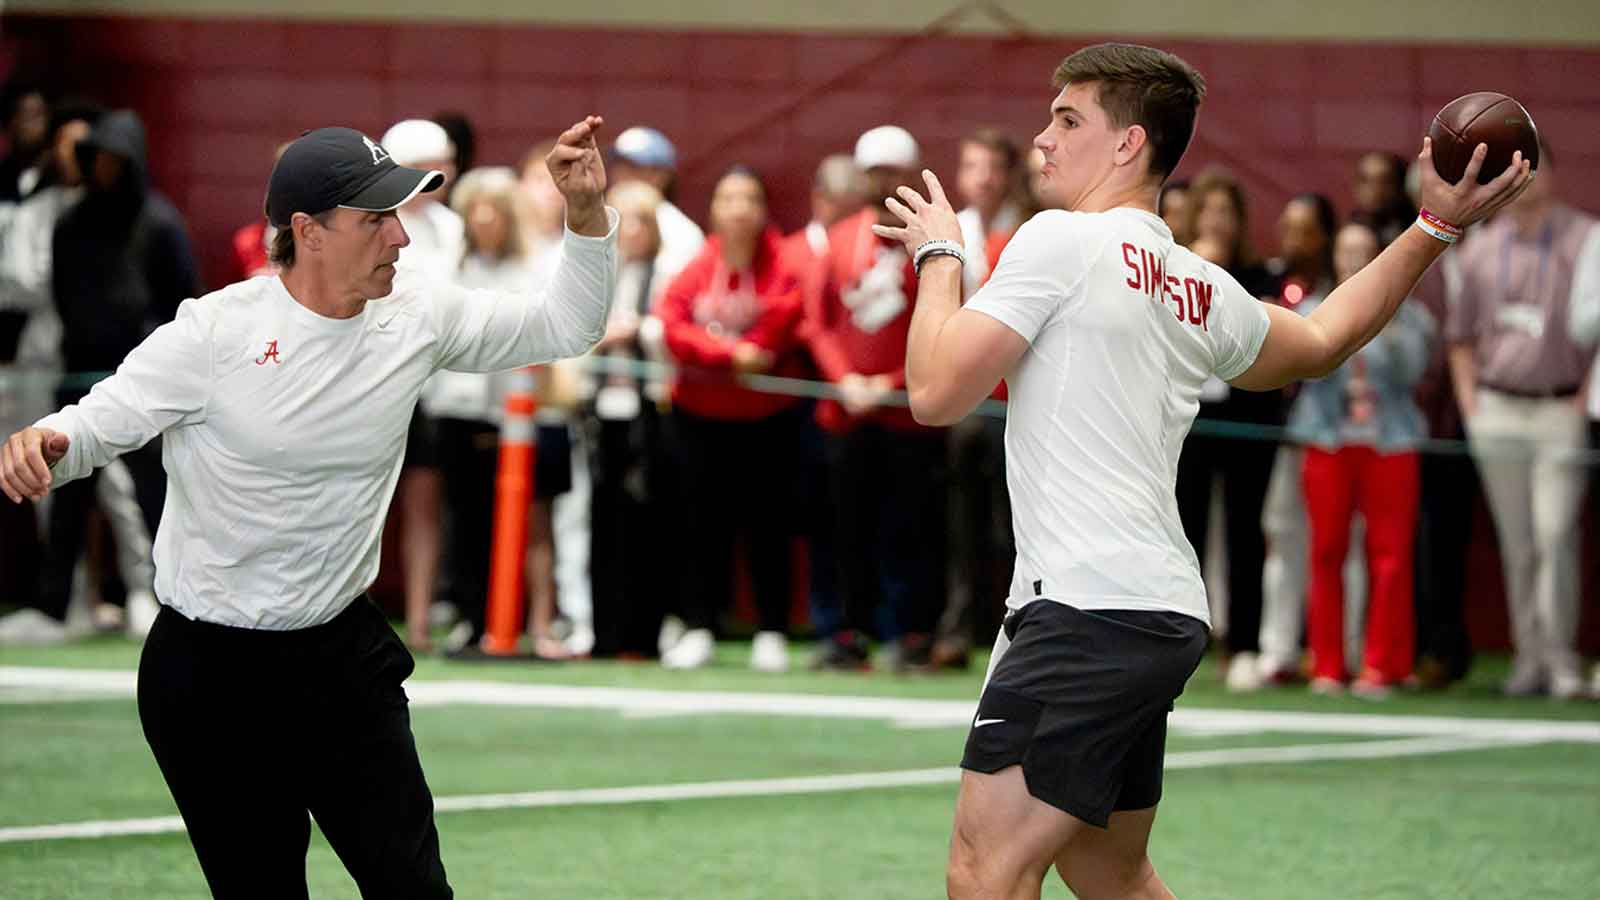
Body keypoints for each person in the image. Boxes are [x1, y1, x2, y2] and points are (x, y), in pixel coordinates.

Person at [870, 42, 1529, 899]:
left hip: (1087, 608)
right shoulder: (1195, 282)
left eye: (1067, 120)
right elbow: (1322, 340)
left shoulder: (1059, 240)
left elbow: (933, 392)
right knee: (1108, 871)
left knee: (983, 872)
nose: (1042, 139)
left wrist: (939, 258)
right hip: (1154, 609)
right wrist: (1434, 226)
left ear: (1128, 144)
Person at [0, 116, 617, 897]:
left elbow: (568, 324)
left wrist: (585, 213)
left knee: (414, 890)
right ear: (307, 231)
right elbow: (98, 422)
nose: (401, 237)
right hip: (209, 677)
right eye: (376, 219)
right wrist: (47, 442)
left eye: (399, 215)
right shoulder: (214, 332)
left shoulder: (418, 314)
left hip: (342, 659)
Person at [1, 108, 198, 645]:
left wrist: (153, 357)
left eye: (116, 161)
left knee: (155, 493)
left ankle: (160, 601)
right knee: (65, 495)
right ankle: (55, 607)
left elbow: (184, 301)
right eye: (100, 160)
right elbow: (65, 295)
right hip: (79, 375)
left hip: (146, 384)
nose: (106, 169)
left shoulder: (160, 222)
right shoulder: (72, 223)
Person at [1447, 140, 1595, 699]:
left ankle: (1561, 661)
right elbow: (1460, 337)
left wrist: (1584, 396)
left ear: (1552, 173)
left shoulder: (1584, 239)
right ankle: (1528, 660)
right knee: (1518, 543)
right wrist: (1471, 403)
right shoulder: (1479, 249)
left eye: (1534, 169)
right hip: (1497, 408)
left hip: (1560, 406)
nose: (1525, 181)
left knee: (1556, 535)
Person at [805, 124, 949, 672]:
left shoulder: (935, 244)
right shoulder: (839, 239)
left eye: (894, 171)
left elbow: (944, 321)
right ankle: (847, 633)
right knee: (843, 529)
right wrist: (845, 379)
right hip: (845, 413)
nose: (885, 180)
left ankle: (911, 633)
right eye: (876, 172)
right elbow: (816, 322)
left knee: (910, 528)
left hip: (910, 415)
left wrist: (888, 384)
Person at [655, 166, 806, 671]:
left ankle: (771, 630)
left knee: (768, 524)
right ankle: (700, 626)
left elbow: (786, 314)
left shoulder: (783, 262)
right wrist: (729, 354)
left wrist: (753, 349)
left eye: (748, 199)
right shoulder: (698, 263)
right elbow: (672, 323)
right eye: (727, 198)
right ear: (714, 210)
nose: (738, 208)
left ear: (763, 210)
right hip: (698, 416)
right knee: (701, 525)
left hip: (767, 420)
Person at [1287, 219, 1433, 698]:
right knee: (1326, 551)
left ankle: (1383, 664)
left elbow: (1414, 373)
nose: (1353, 259)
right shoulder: (1310, 309)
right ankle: (1327, 664)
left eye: (1363, 251)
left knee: (1390, 556)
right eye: (1345, 251)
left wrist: (1382, 318)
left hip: (1390, 443)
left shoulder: (1410, 316)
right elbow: (1303, 368)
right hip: (1328, 441)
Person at [1171, 167, 1281, 688]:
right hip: (1189, 421)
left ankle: (1245, 646)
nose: (1217, 220)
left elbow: (1265, 339)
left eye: (1226, 212)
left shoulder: (1259, 279)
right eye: (1208, 210)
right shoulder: (1170, 270)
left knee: (1244, 531)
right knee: (1183, 529)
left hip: (1247, 422)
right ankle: (1182, 643)